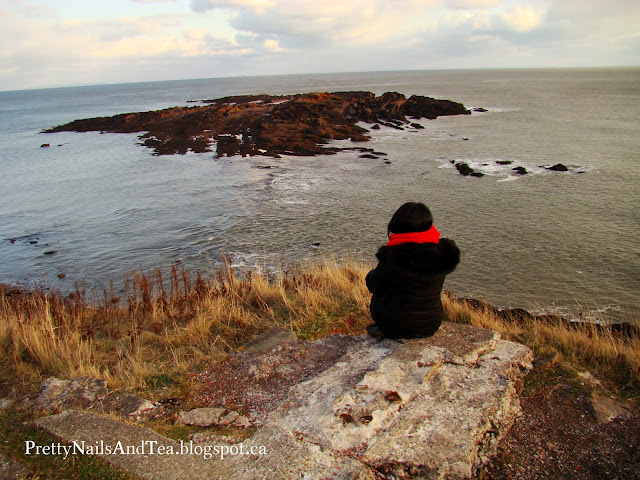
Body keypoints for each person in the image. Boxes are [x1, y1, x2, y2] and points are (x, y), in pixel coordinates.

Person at [365, 202, 460, 339]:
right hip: (432, 323)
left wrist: (371, 274)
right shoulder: (442, 252)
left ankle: (383, 328)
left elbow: (373, 285)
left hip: (395, 325)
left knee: (379, 295)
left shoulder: (393, 256)